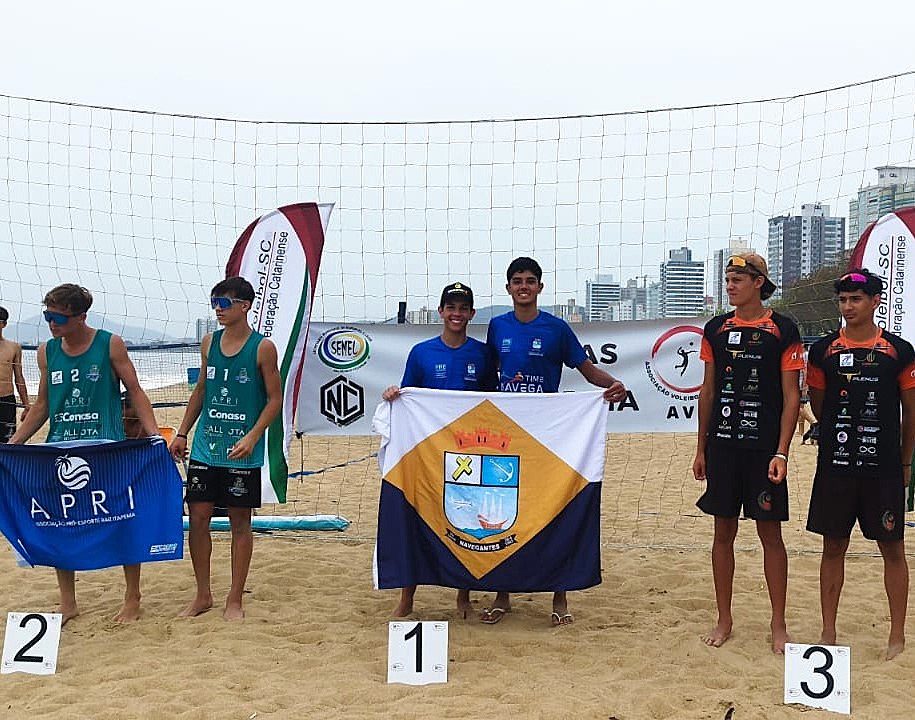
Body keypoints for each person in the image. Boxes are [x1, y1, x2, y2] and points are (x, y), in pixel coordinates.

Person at [482, 257, 627, 626]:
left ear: (541, 287)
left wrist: (612, 384)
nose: (524, 286)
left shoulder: (558, 329)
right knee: (506, 508)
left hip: (548, 434)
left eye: (530, 280)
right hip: (507, 434)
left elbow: (587, 370)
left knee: (551, 510)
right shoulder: (497, 327)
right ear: (508, 287)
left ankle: (559, 597)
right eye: (517, 281)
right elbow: (484, 380)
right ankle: (503, 594)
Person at [9, 284, 158, 624]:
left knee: (121, 519)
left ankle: (132, 596)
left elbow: (135, 390)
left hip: (106, 447)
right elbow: (44, 404)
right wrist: (14, 443)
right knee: (61, 523)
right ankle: (68, 603)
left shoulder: (109, 343)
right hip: (60, 448)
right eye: (47, 315)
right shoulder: (47, 351)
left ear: (80, 316)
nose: (51, 322)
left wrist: (154, 436)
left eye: (58, 316)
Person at [692, 252, 803, 653]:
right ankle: (724, 619)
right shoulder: (716, 328)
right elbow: (708, 390)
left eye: (738, 278)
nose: (730, 285)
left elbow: (792, 398)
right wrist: (701, 447)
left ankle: (779, 624)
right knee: (723, 533)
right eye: (727, 278)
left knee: (770, 534)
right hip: (723, 447)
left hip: (763, 450)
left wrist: (782, 452)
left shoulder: (783, 329)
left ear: (759, 282)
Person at [805, 269, 915, 661]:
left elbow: (910, 415)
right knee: (833, 546)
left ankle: (897, 635)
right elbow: (818, 407)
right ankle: (828, 631)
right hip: (836, 465)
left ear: (875, 302)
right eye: (843, 300)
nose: (848, 307)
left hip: (882, 468)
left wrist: (904, 464)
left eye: (856, 299)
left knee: (892, 548)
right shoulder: (822, 351)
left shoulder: (899, 351)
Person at [382, 282, 497, 618]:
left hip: (468, 451)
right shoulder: (422, 352)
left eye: (463, 308)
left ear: (471, 313)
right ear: (441, 311)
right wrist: (394, 394)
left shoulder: (482, 353)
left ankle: (463, 596)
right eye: (451, 308)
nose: (457, 314)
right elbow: (409, 396)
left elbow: (493, 403)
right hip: (430, 453)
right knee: (417, 516)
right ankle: (407, 597)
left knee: (465, 520)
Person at [170, 277, 281, 621]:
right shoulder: (209, 343)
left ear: (245, 305)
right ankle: (203, 594)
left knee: (239, 523)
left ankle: (235, 599)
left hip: (240, 449)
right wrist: (182, 432)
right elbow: (201, 389)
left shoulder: (263, 347)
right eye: (215, 302)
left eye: (225, 302)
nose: (218, 308)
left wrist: (252, 436)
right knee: (198, 519)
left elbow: (275, 399)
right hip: (206, 445)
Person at [0, 306, 31, 441]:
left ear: (4, 324)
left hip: (7, 399)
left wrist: (26, 405)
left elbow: (19, 377)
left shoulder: (14, 347)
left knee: (8, 441)